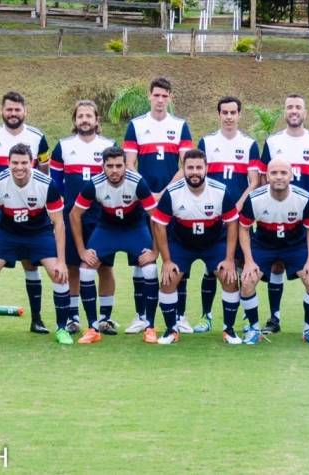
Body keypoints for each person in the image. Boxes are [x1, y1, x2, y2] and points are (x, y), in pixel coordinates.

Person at [0, 144, 71, 345]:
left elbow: (59, 223)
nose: (19, 167)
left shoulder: (46, 184)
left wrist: (61, 261)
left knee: (59, 275)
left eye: (24, 162)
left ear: (32, 162)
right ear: (7, 163)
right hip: (5, 233)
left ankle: (62, 328)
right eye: (15, 163)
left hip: (38, 233)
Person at [0, 91, 51, 335]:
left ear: (24, 111)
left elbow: (45, 172)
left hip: (31, 210)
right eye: (9, 109)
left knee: (30, 261)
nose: (13, 114)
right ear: (2, 111)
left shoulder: (38, 137)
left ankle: (36, 318)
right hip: (0, 211)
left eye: (17, 110)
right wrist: (2, 193)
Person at [257, 93, 309, 334]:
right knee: (276, 265)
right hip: (277, 215)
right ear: (284, 113)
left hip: (308, 218)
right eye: (289, 107)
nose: (294, 111)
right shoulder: (272, 142)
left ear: (305, 113)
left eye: (298, 107)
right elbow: (262, 179)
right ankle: (274, 318)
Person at [122, 76, 192, 335]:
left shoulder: (180, 126)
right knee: (141, 259)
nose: (160, 100)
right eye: (156, 95)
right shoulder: (136, 125)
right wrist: (147, 194)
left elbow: (186, 165)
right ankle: (142, 315)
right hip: (142, 201)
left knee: (175, 257)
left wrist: (164, 192)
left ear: (170, 98)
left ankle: (180, 315)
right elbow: (129, 165)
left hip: (173, 200)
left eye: (165, 95)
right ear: (149, 96)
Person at [70, 147, 161, 344]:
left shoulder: (137, 182)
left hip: (134, 228)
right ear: (102, 167)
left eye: (118, 166)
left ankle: (150, 326)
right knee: (86, 269)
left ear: (126, 166)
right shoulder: (94, 184)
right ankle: (92, 327)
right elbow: (74, 214)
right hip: (107, 229)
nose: (114, 170)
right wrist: (82, 251)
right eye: (109, 166)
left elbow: (156, 217)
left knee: (150, 269)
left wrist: (155, 250)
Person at [150, 149, 240, 344]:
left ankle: (229, 330)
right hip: (182, 244)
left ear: (206, 168)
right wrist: (166, 260)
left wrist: (229, 259)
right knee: (167, 280)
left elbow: (233, 223)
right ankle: (171, 330)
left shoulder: (220, 191)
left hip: (213, 243)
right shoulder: (172, 193)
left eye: (199, 167)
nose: (195, 172)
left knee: (230, 278)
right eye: (190, 168)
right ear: (183, 169)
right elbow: (159, 225)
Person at [189, 95, 261, 333]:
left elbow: (254, 182)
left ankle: (240, 316)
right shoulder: (207, 142)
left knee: (240, 263)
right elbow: (201, 177)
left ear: (239, 114)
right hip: (212, 217)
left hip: (239, 218)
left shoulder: (249, 144)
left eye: (233, 112)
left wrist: (238, 205)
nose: (229, 117)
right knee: (212, 266)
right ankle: (206, 316)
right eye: (225, 112)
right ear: (218, 114)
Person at [49, 100, 118, 337]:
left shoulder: (109, 145)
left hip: (103, 216)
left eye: (89, 116)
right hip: (72, 216)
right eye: (80, 116)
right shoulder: (63, 146)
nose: (85, 120)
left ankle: (105, 318)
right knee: (73, 266)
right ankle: (73, 317)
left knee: (104, 267)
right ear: (75, 120)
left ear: (97, 120)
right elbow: (55, 182)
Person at [239, 158, 309, 344]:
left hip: (295, 246)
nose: (279, 177)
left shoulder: (304, 197)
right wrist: (249, 260)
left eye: (283, 173)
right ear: (266, 176)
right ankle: (253, 329)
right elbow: (243, 228)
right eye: (274, 173)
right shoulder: (254, 199)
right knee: (246, 281)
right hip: (263, 246)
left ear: (291, 175)